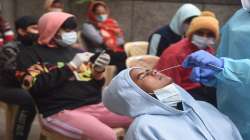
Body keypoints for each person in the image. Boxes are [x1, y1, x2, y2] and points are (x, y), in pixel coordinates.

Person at [16, 12, 131, 140]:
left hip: (93, 106)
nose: (71, 33)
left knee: (139, 117)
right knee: (107, 136)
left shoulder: (77, 51)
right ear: (50, 30)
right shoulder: (29, 54)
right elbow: (35, 87)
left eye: (72, 29)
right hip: (58, 111)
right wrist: (70, 67)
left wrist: (98, 72)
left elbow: (92, 88)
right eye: (66, 30)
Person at [102, 67, 242, 140]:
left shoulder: (205, 107)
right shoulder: (145, 128)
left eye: (147, 70)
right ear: (133, 95)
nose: (152, 71)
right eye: (142, 76)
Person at [182, 1, 250, 139]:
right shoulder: (239, 16)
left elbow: (225, 65)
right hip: (229, 113)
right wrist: (215, 74)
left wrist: (225, 67)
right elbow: (226, 55)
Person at [155, 11, 218, 105]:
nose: (204, 38)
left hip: (201, 90)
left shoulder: (208, 51)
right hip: (180, 94)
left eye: (209, 35)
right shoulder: (175, 53)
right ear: (191, 33)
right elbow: (166, 89)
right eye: (200, 33)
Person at [0, 42, 36, 140]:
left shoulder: (45, 46)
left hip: (27, 83)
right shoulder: (10, 49)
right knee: (28, 99)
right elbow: (10, 75)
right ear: (21, 31)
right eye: (34, 28)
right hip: (7, 85)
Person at [82, 1, 127, 73]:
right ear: (92, 13)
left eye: (103, 13)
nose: (101, 15)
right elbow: (99, 41)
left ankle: (121, 78)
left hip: (112, 52)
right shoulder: (88, 26)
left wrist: (117, 35)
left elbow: (121, 42)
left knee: (123, 55)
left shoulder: (112, 24)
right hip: (96, 54)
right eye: (98, 13)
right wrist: (112, 35)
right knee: (121, 57)